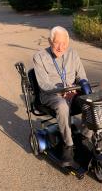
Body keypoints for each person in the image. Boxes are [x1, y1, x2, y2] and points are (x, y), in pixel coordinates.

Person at [33, 26, 88, 167]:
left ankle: (85, 136)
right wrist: (61, 90)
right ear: (50, 41)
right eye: (57, 43)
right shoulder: (39, 57)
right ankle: (68, 144)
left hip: (72, 92)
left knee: (91, 102)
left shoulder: (73, 54)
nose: (60, 47)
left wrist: (84, 84)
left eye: (64, 43)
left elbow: (81, 75)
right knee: (62, 105)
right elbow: (44, 84)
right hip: (50, 95)